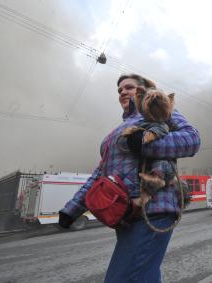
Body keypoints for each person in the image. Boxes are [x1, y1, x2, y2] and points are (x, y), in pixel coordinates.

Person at [58, 73, 201, 283]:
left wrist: (146, 143)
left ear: (143, 91)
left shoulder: (160, 110)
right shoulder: (117, 131)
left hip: (152, 209)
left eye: (129, 87)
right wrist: (72, 209)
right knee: (144, 276)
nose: (123, 92)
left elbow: (192, 139)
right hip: (126, 214)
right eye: (119, 90)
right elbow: (101, 174)